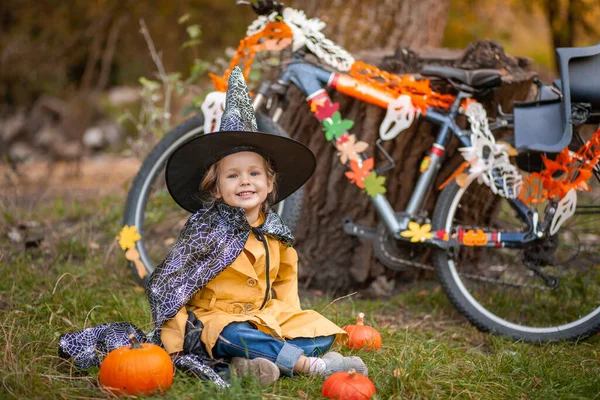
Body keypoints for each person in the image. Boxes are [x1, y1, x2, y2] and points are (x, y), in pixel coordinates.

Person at [147, 67, 367, 387]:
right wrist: (173, 342)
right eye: (233, 175)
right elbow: (171, 285)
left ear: (269, 184)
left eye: (254, 174)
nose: (245, 181)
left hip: (263, 319)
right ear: (217, 188)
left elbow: (286, 279)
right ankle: (310, 365)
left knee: (321, 331)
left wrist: (290, 318)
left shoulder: (274, 231)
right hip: (214, 320)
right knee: (233, 334)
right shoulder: (205, 229)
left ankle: (254, 362)